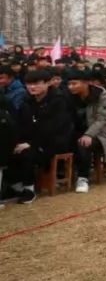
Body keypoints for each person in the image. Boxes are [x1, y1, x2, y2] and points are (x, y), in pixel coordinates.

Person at [6, 70, 74, 204]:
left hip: (55, 140)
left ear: (48, 83)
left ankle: (29, 189)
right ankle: (15, 185)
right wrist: (18, 141)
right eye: (28, 84)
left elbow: (54, 128)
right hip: (32, 139)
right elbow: (22, 124)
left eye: (36, 83)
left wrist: (31, 144)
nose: (32, 87)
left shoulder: (59, 100)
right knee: (9, 150)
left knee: (28, 153)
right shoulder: (27, 101)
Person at [66, 69, 106, 194]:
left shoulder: (102, 95)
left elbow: (103, 119)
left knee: (83, 144)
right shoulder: (69, 96)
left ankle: (83, 178)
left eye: (74, 84)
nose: (71, 87)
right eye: (69, 84)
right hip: (77, 131)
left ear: (86, 83)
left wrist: (89, 134)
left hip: (101, 134)